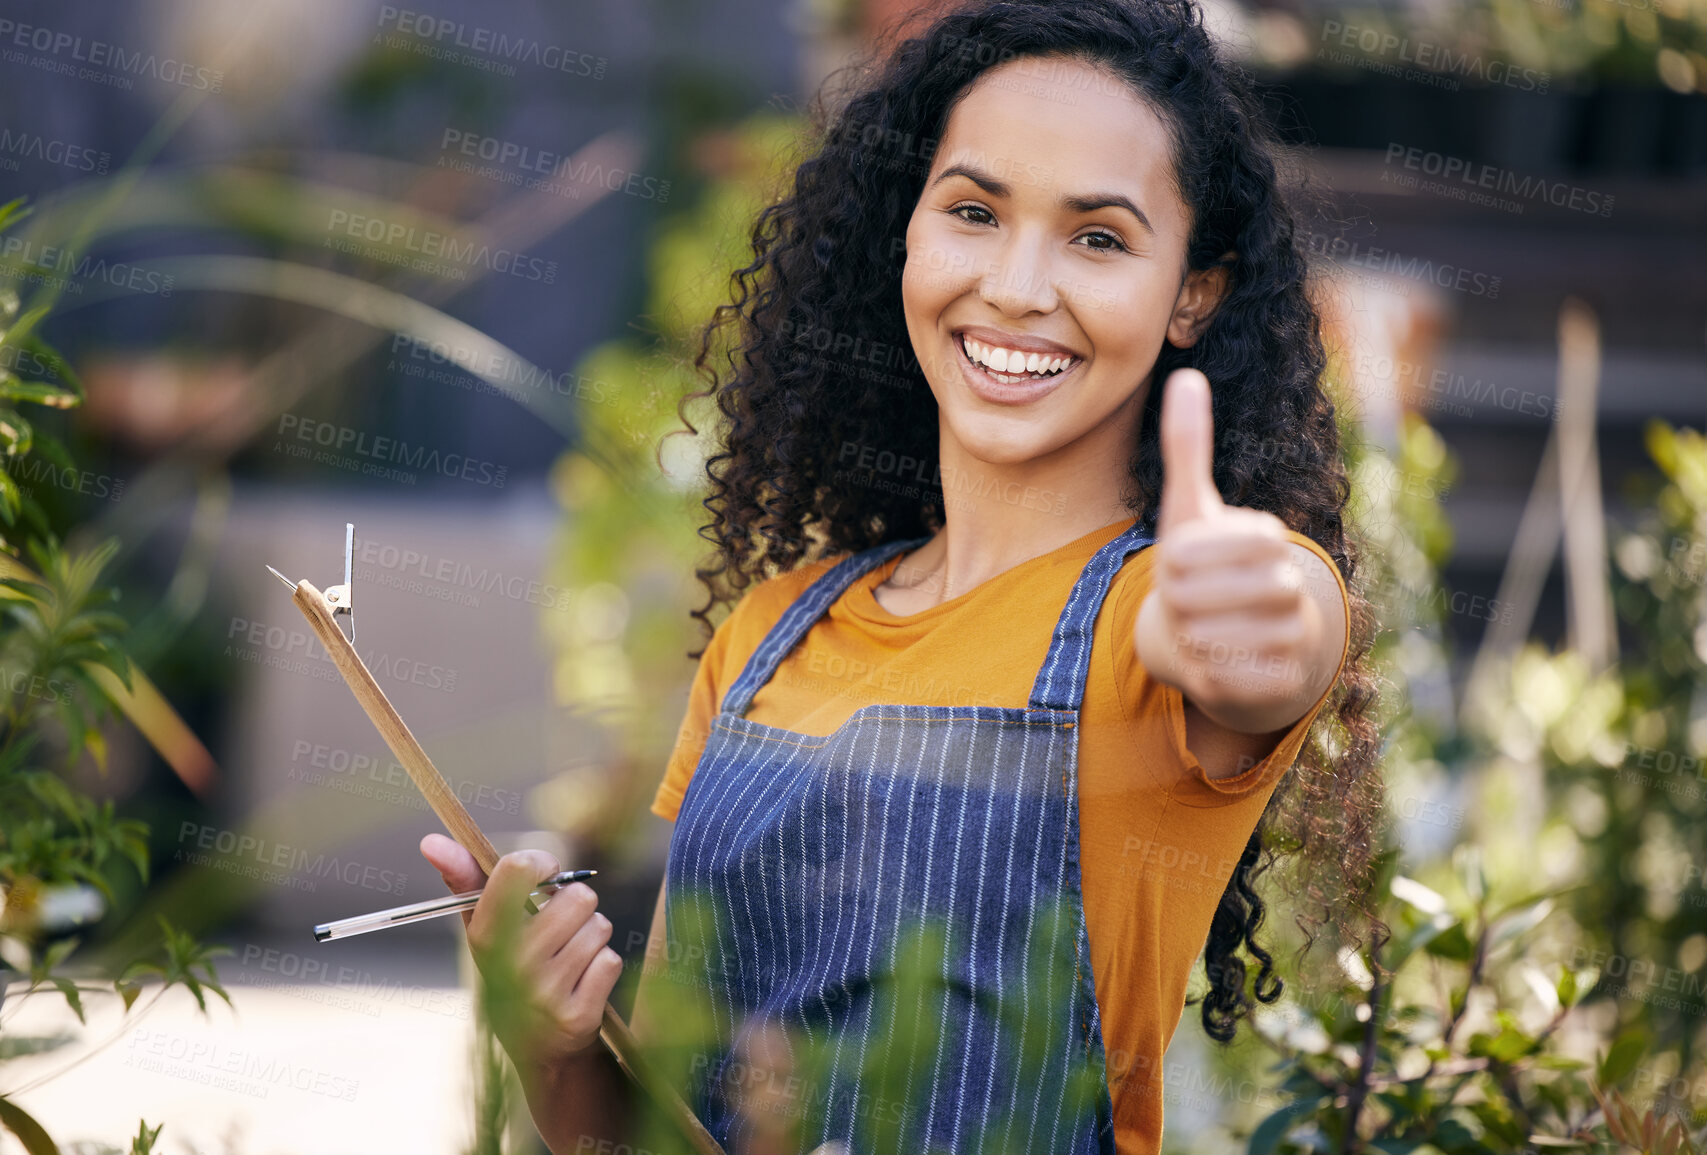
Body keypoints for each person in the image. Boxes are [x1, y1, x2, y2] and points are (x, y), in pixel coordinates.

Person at [421, 0, 1384, 1151]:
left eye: (1098, 238)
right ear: (906, 236)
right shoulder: (774, 632)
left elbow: (1280, 632)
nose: (1020, 286)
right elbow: (648, 1134)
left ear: (1195, 293)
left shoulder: (1160, 625)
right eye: (975, 212)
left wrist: (1271, 613)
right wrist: (557, 1046)